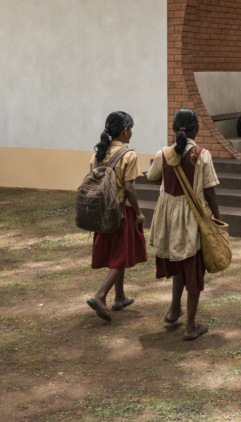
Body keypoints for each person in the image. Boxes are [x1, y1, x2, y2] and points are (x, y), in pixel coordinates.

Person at [146, 108, 222, 341]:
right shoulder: (202, 155)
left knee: (179, 262)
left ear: (174, 128)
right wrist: (217, 220)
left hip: (168, 220)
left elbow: (152, 177)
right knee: (193, 269)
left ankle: (173, 310)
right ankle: (190, 326)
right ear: (196, 128)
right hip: (191, 219)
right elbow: (210, 192)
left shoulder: (163, 153)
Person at [85, 111, 147, 322]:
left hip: (102, 212)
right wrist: (138, 212)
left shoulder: (97, 155)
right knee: (121, 255)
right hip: (122, 212)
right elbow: (129, 188)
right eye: (131, 129)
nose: (132, 133)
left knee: (117, 252)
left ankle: (120, 297)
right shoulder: (129, 155)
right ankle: (100, 295)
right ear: (125, 131)